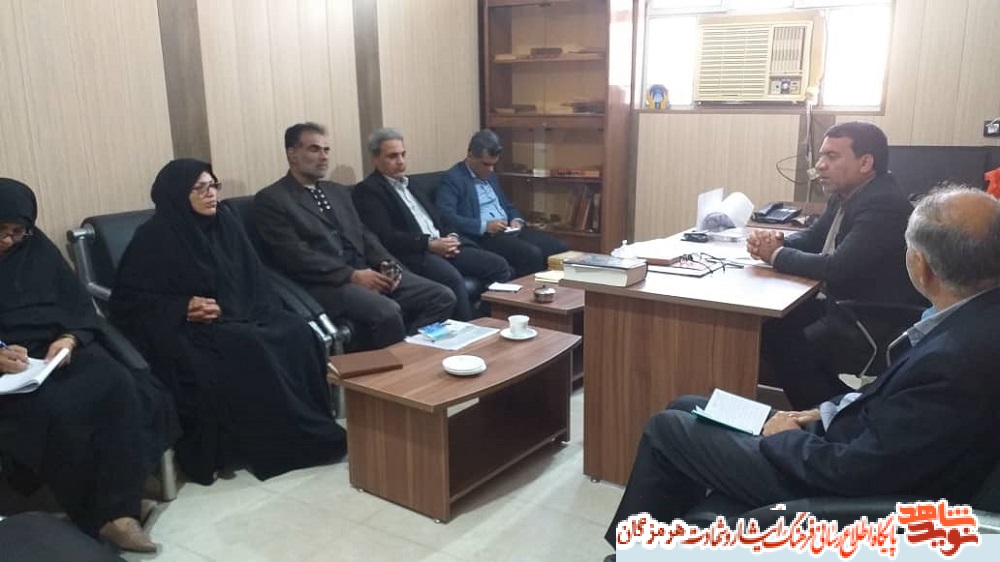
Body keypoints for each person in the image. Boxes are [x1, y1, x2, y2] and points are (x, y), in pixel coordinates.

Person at [604, 186, 1000, 557]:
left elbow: (857, 472)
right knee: (690, 406)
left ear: (920, 265)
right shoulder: (972, 321)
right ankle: (669, 548)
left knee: (667, 429)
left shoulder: (955, 360)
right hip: (842, 442)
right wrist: (821, 411)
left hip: (832, 487)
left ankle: (629, 555)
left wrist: (787, 437)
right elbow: (893, 408)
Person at [108, 159, 347, 486]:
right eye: (199, 188)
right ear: (176, 194)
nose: (211, 195)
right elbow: (129, 302)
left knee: (297, 332)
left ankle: (310, 427)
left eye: (213, 186)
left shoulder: (225, 223)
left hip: (243, 310)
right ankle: (274, 444)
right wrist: (182, 307)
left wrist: (252, 309)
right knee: (252, 345)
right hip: (190, 328)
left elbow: (252, 275)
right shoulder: (155, 237)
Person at [0, 178, 177, 552]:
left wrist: (70, 338)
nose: (9, 241)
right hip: (9, 366)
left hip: (56, 349)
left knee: (118, 384)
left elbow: (78, 304)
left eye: (18, 231)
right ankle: (104, 515)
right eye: (1, 231)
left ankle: (119, 505)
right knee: (57, 409)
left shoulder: (36, 248)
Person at [747, 121, 925, 409]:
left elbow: (836, 268)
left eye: (832, 156)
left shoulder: (883, 204)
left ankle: (830, 416)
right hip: (844, 305)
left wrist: (776, 255)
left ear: (865, 163)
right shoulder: (847, 195)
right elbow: (813, 238)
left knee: (780, 339)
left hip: (869, 321)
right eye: (821, 156)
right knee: (770, 323)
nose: (820, 165)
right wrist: (777, 241)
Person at [255, 122, 456, 349]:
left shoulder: (337, 191)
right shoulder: (273, 199)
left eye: (326, 150)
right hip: (325, 284)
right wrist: (352, 275)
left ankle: (412, 354)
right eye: (314, 149)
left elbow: (364, 234)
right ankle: (398, 368)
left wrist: (387, 264)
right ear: (292, 154)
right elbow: (296, 256)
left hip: (365, 271)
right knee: (388, 311)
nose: (323, 157)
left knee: (442, 296)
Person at [353, 128, 513, 321]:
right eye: (393, 156)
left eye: (403, 154)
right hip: (418, 253)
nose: (401, 161)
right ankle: (469, 328)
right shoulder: (368, 191)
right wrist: (429, 244)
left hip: (444, 244)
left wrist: (452, 236)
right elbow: (386, 237)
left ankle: (488, 321)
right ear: (375, 158)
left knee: (498, 266)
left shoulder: (411, 184)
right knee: (452, 279)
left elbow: (441, 217)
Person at [437, 129, 568, 277]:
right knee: (531, 253)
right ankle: (528, 291)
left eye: (494, 164)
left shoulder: (490, 175)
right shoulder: (453, 179)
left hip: (509, 230)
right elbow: (447, 216)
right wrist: (484, 226)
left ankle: (558, 290)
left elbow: (507, 205)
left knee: (558, 247)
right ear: (470, 155)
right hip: (484, 237)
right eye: (486, 164)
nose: (491, 170)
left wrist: (516, 219)